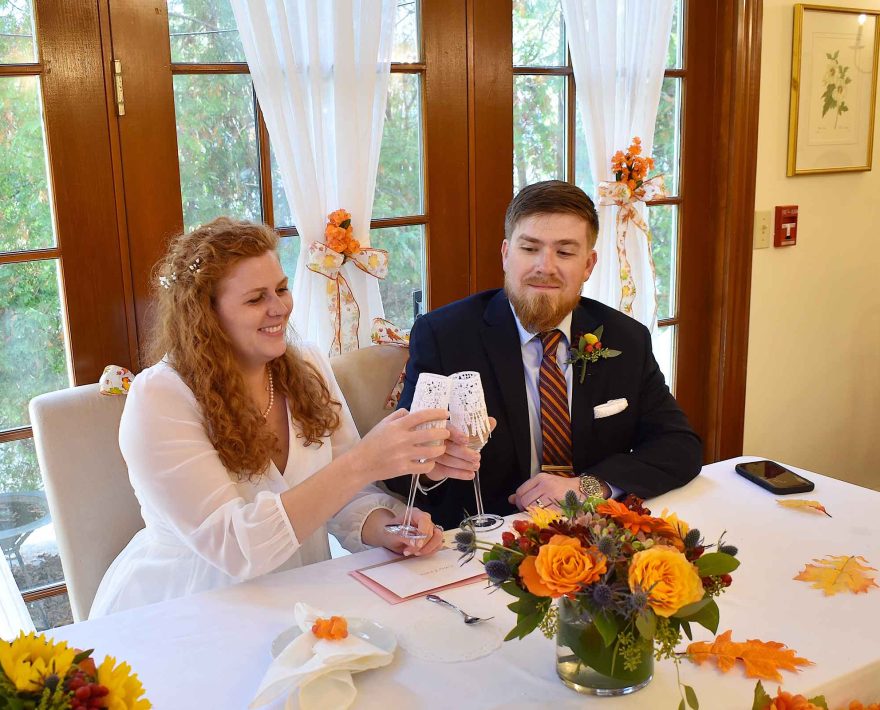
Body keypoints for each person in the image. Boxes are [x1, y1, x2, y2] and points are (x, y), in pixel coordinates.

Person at [90, 218, 456, 617]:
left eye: (281, 288)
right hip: (189, 608)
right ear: (205, 315)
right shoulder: (161, 397)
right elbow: (236, 550)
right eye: (255, 299)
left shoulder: (306, 365)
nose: (279, 307)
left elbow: (345, 494)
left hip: (303, 596)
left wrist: (386, 527)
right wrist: (365, 460)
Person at [390, 180, 702, 529]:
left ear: (588, 264)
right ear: (506, 254)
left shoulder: (626, 338)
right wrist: (432, 465)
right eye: (530, 248)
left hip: (595, 532)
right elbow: (400, 471)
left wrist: (589, 487)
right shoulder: (444, 336)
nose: (545, 266)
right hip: (486, 540)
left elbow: (679, 446)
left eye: (565, 252)